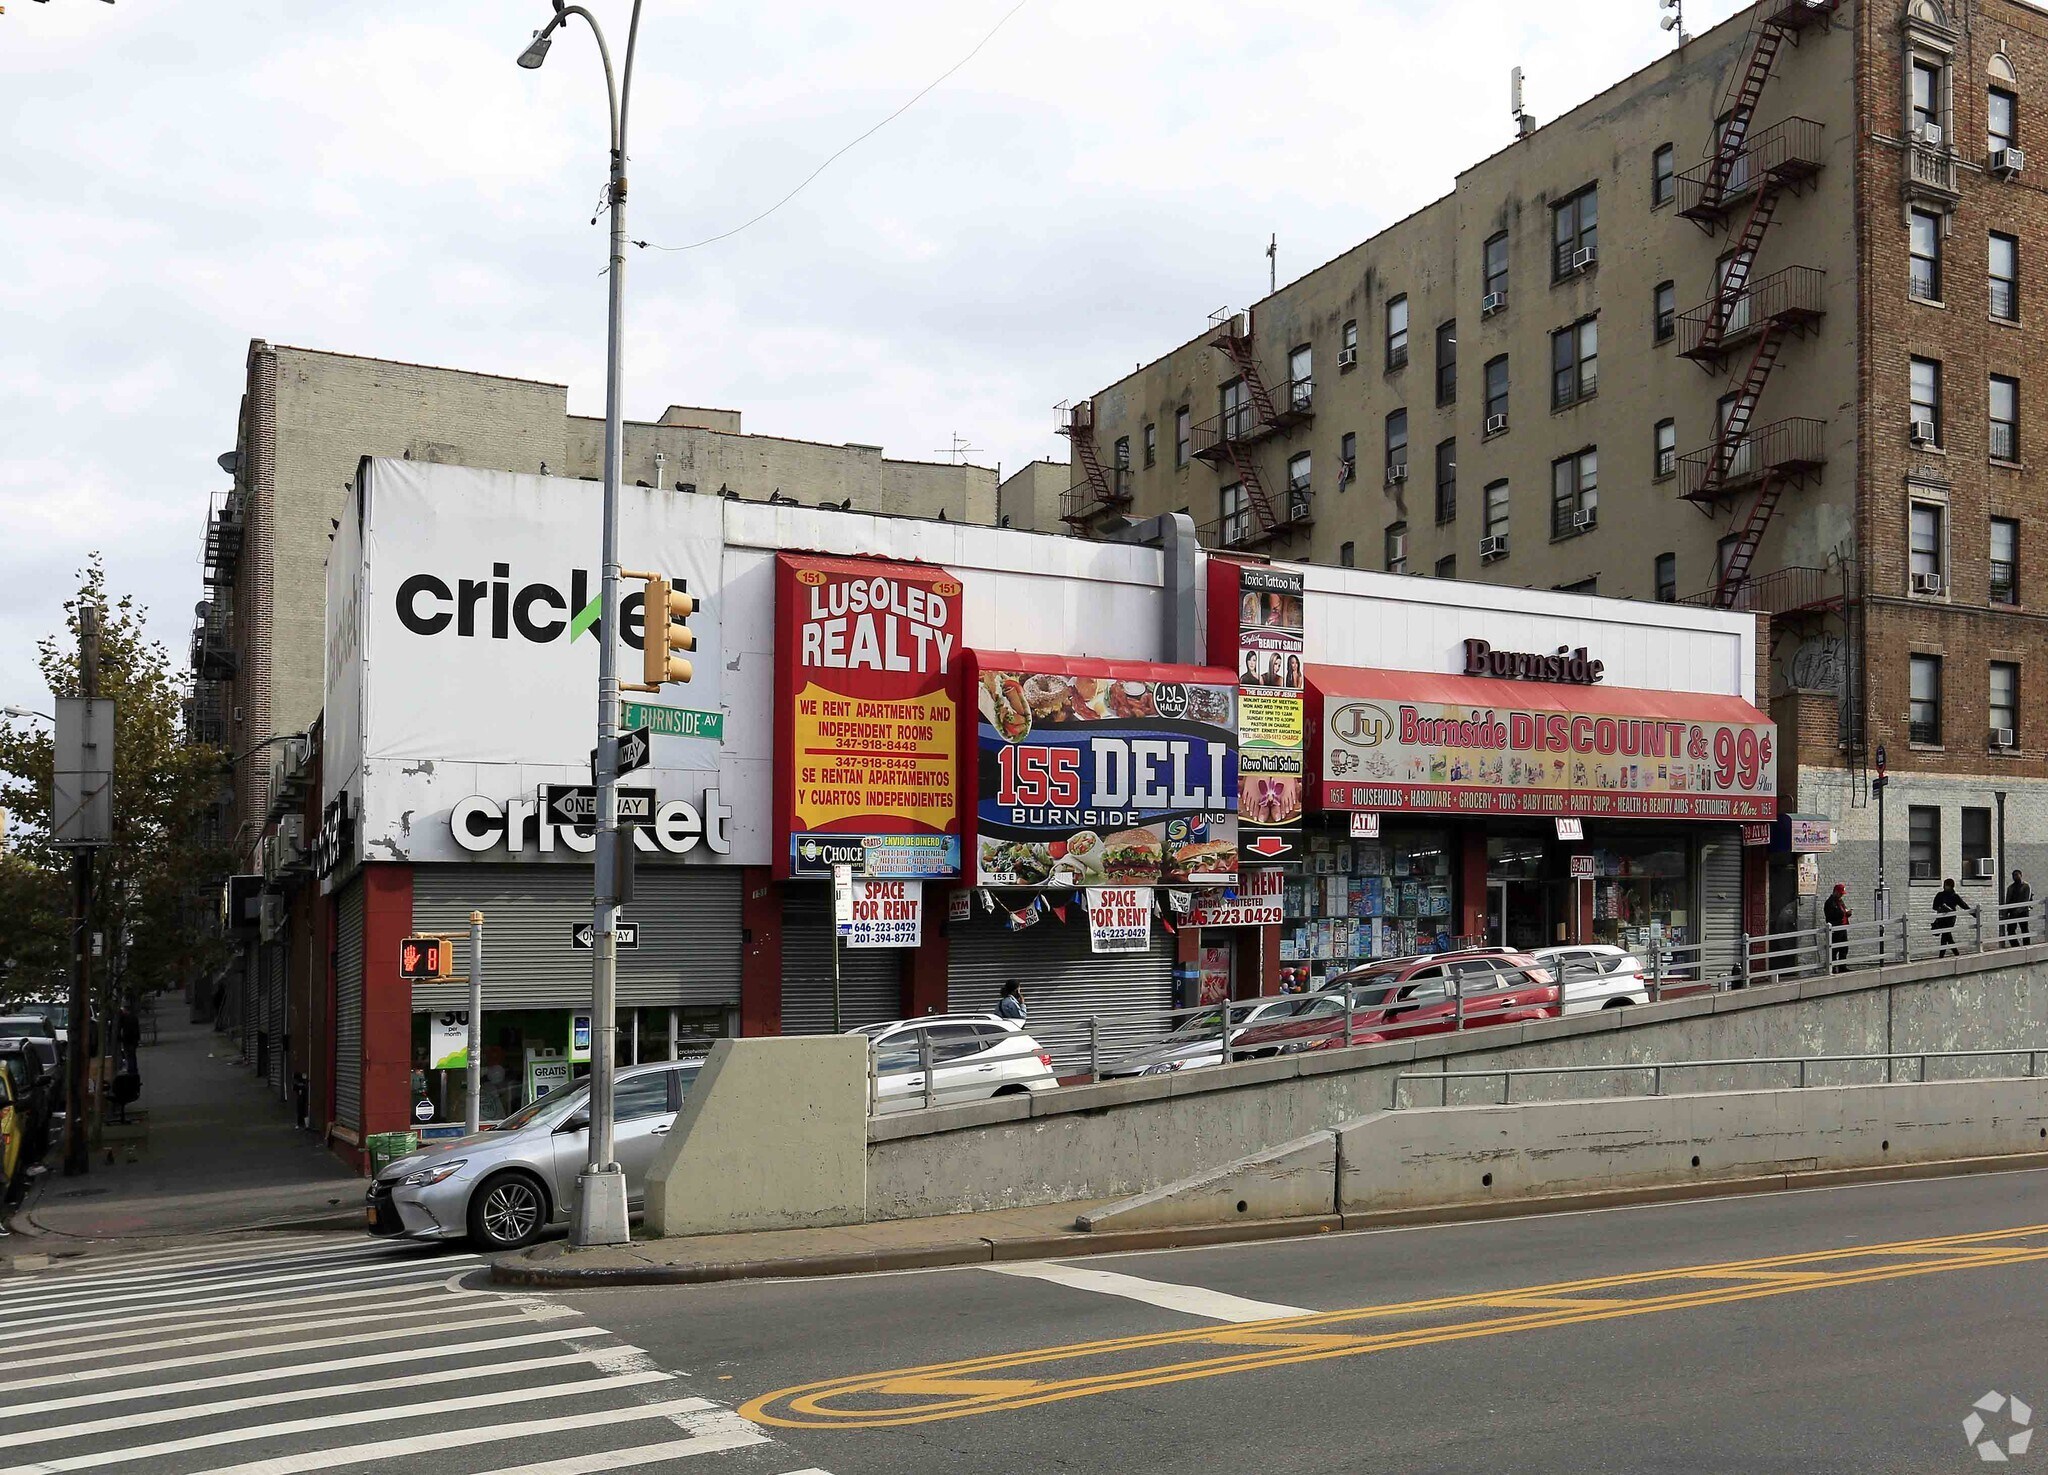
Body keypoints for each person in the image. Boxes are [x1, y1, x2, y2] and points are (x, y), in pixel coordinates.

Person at [1931, 877, 1966, 958]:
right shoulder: (1940, 895)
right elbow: (1934, 906)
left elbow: (1964, 905)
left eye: (1946, 885)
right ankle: (1956, 954)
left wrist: (1974, 914)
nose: (1944, 886)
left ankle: (1941, 956)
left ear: (1951, 886)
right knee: (1948, 937)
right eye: (1944, 885)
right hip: (1941, 918)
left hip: (1950, 919)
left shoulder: (1955, 896)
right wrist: (1941, 907)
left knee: (1945, 935)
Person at [1823, 883, 1852, 973]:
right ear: (1835, 892)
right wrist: (1843, 913)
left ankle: (1842, 967)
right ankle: (1833, 968)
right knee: (1834, 949)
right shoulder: (1830, 903)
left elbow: (1843, 911)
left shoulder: (1840, 902)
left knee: (1844, 948)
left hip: (1843, 927)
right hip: (1836, 928)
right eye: (1840, 893)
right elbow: (1831, 916)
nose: (1841, 895)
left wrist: (1847, 913)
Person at [2005, 869, 2034, 947]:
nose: (2015, 877)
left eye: (2016, 875)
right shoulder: (2010, 887)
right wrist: (2006, 912)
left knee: (2024, 929)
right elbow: (2007, 900)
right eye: (2013, 876)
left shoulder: (2026, 886)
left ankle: (2026, 945)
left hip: (2023, 911)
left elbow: (2026, 899)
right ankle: (2015, 946)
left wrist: (2019, 910)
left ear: (2021, 875)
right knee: (2010, 930)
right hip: (2012, 911)